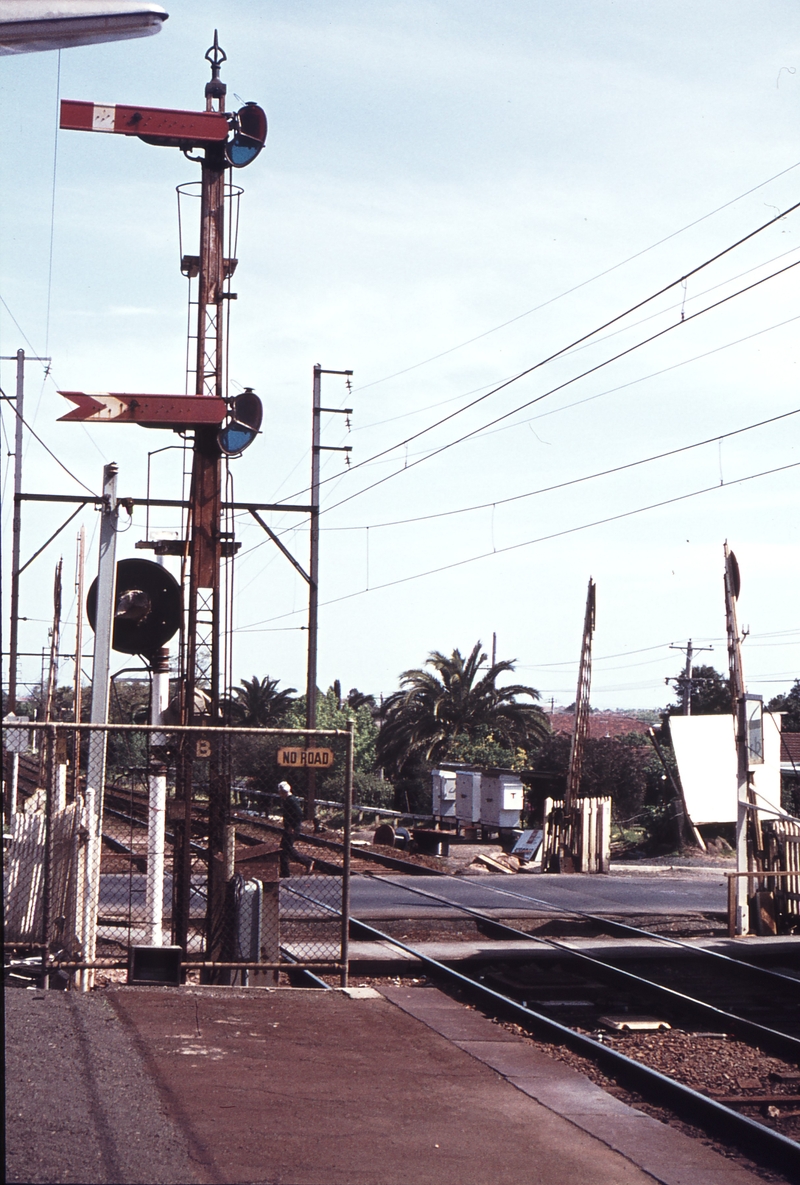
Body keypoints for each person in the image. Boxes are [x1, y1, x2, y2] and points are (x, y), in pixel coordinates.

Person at [277, 780, 314, 878]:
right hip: (291, 827)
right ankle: (286, 871)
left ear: (283, 791)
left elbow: (299, 814)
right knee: (286, 849)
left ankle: (305, 862)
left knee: (285, 849)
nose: (279, 794)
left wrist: (291, 826)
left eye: (280, 792)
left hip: (292, 828)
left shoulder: (291, 800)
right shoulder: (289, 800)